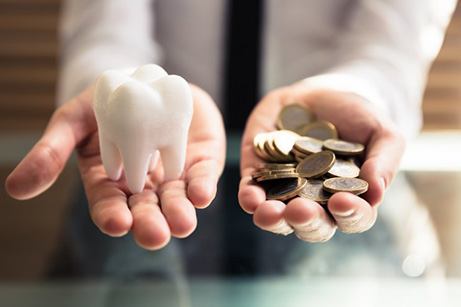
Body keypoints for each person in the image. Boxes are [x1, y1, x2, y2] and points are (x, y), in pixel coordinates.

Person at [4, 0, 457, 276]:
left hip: (366, 261)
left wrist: (362, 93)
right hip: (163, 159)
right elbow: (105, 22)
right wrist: (109, 85)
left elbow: (394, 38)